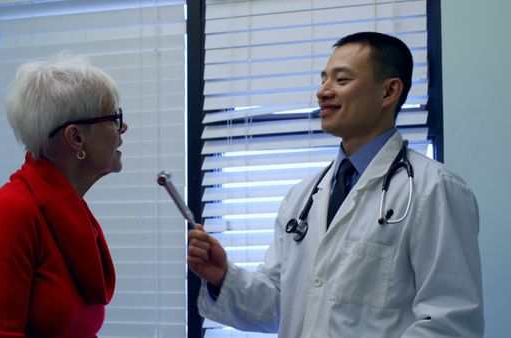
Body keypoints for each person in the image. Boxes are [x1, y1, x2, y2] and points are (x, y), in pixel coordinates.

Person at [187, 32, 484, 337]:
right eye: (323, 79)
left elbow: (450, 323)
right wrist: (223, 278)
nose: (323, 92)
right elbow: (281, 306)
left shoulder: (434, 190)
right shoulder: (302, 197)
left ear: (389, 92)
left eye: (341, 80)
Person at [0, 53, 127, 338]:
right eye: (114, 117)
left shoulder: (68, 210)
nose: (122, 128)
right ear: (76, 137)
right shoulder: (11, 213)